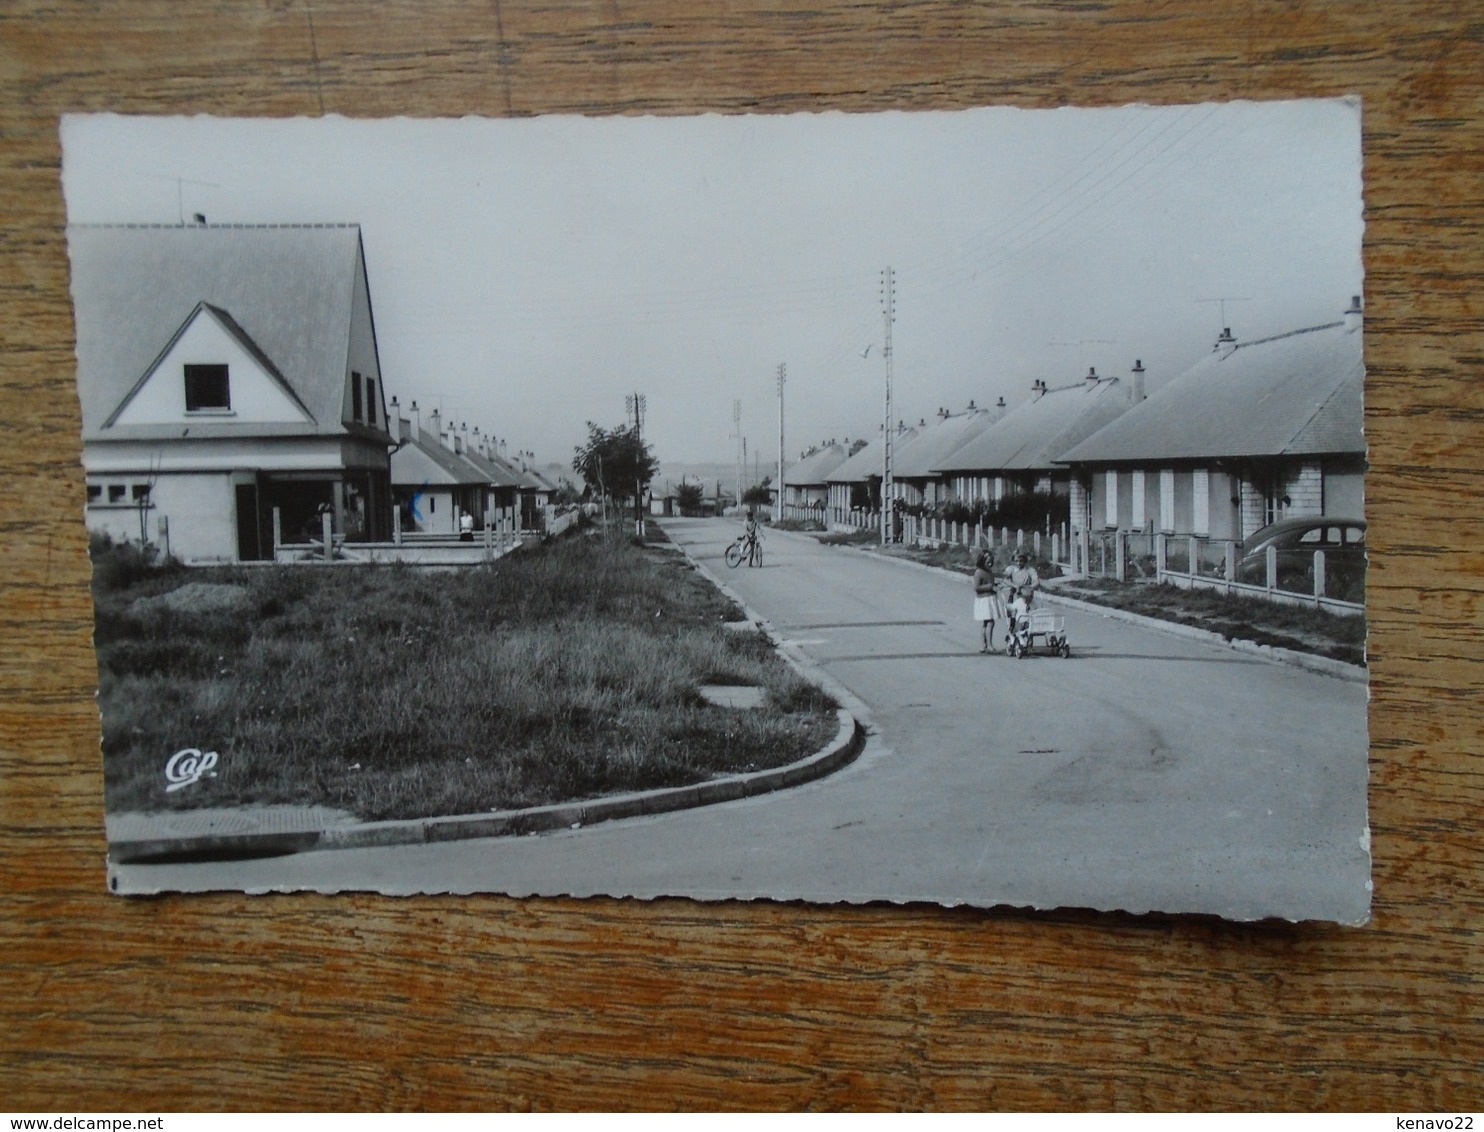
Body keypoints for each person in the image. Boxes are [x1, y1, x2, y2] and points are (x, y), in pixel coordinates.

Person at [971, 550, 1004, 653]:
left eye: (991, 562)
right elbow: (976, 587)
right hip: (984, 600)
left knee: (987, 623)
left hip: (990, 598)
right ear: (982, 561)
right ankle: (988, 645)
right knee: (989, 622)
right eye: (988, 561)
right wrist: (990, 586)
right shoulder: (979, 572)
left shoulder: (989, 572)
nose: (990, 564)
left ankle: (984, 645)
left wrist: (996, 585)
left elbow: (990, 582)